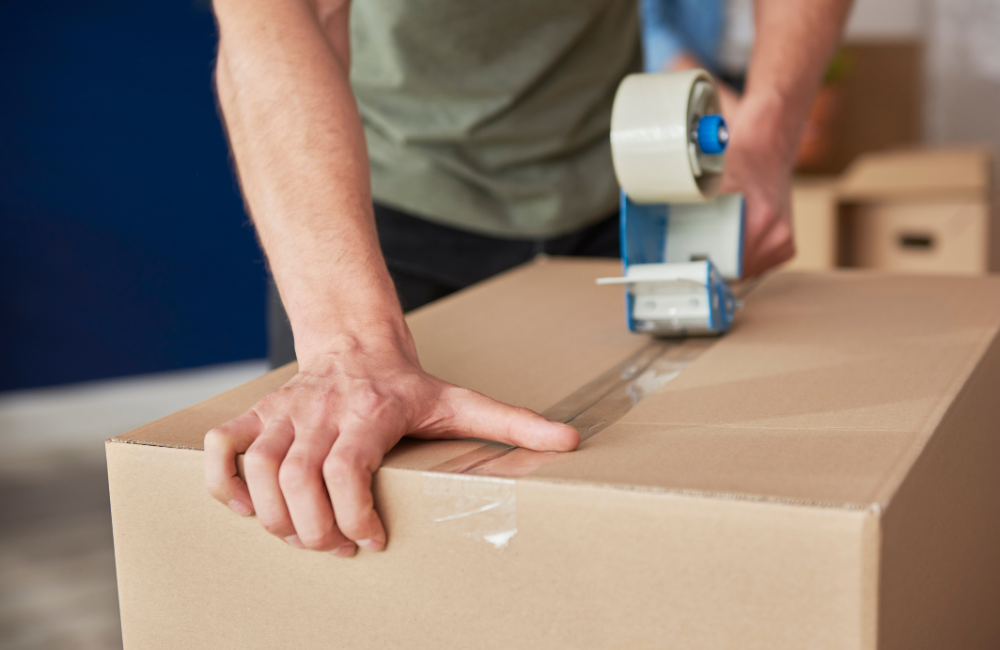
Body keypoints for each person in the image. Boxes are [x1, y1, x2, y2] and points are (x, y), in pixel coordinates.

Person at [205, 0, 854, 558]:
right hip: (377, 206)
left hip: (612, 182)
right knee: (334, 508)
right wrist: (349, 346)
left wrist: (769, 131)